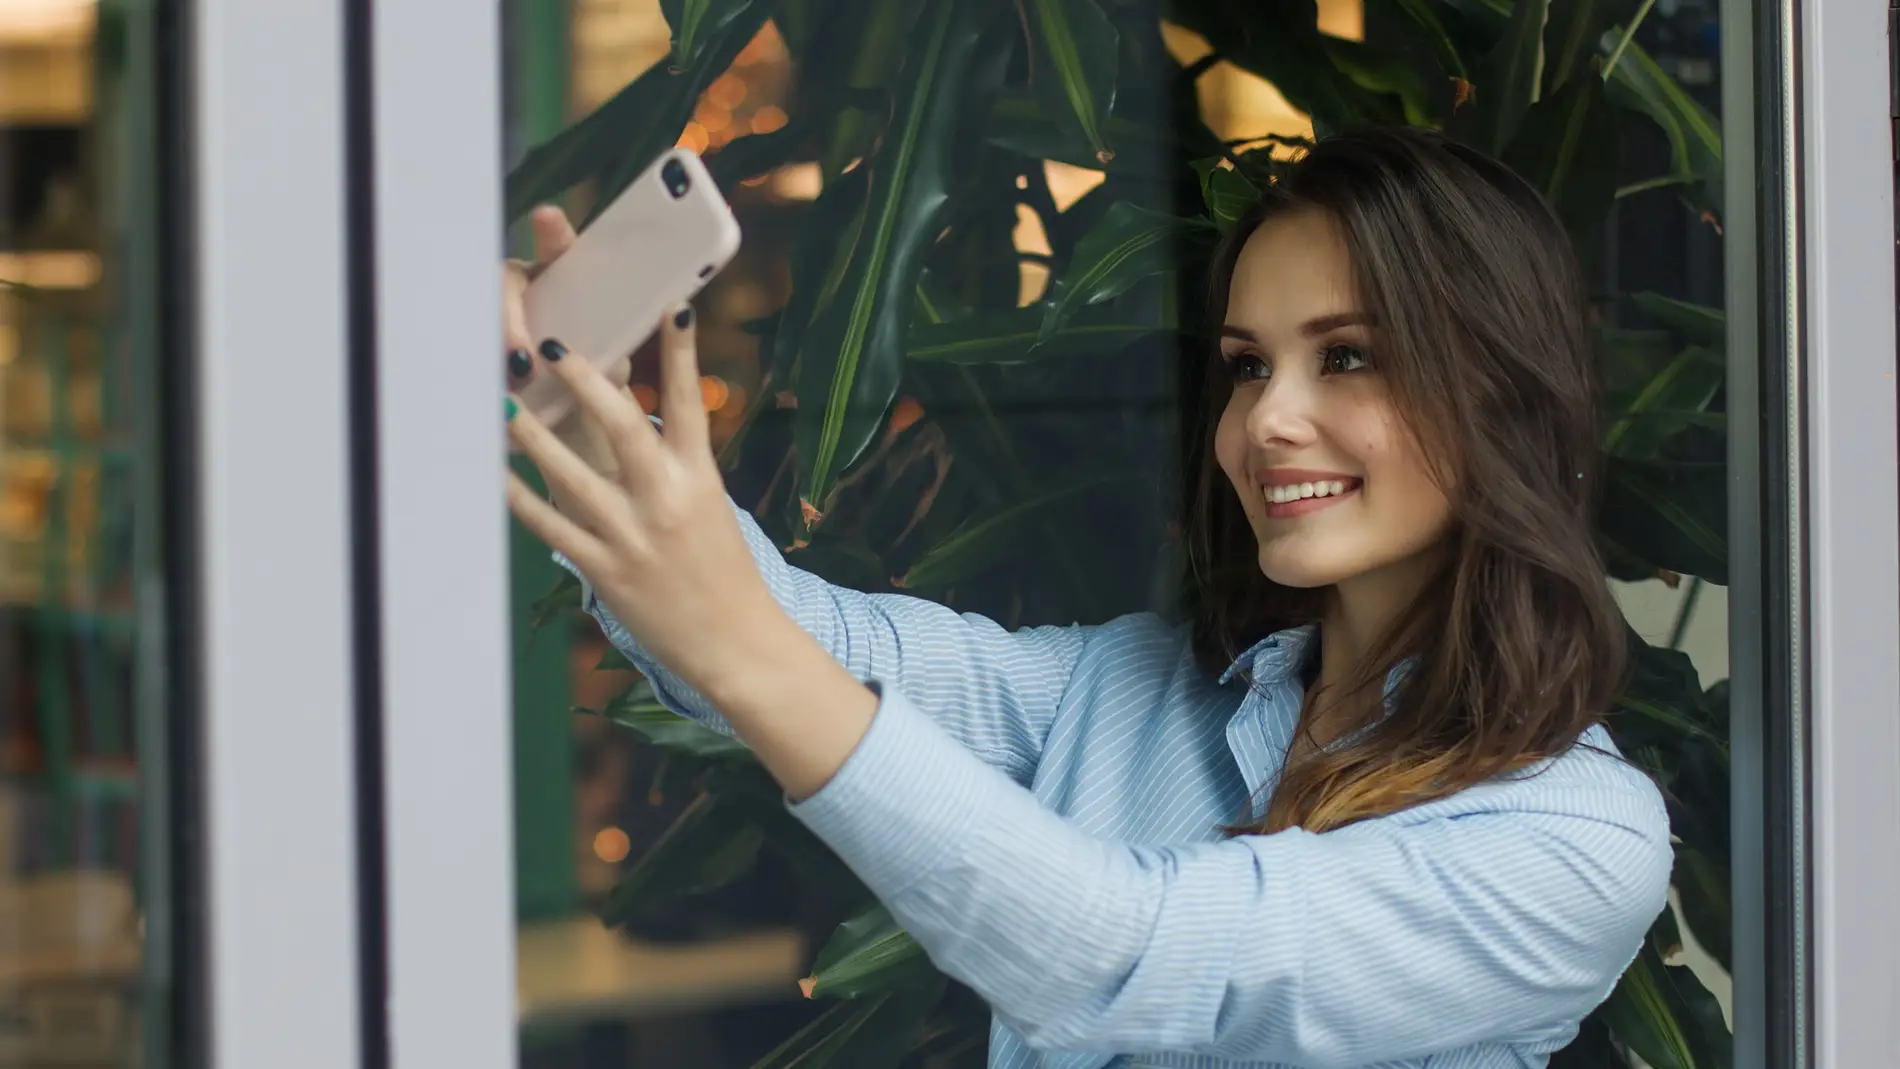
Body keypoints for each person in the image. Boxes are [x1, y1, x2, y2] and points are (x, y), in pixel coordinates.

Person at [500, 127, 1673, 1069]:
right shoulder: (1129, 687)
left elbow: (1123, 954)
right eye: (1249, 365)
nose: (1265, 420)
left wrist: (748, 650)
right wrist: (571, 397)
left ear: (1502, 399)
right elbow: (832, 647)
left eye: (1348, 356)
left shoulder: (1569, 840)